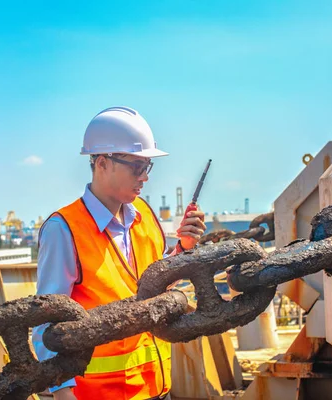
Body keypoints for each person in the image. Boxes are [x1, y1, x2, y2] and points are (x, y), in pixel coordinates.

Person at [32, 106, 206, 400]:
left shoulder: (145, 218)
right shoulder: (64, 230)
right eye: (136, 167)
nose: (145, 177)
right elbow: (46, 325)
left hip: (155, 388)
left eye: (147, 167)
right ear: (102, 163)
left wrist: (183, 249)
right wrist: (62, 393)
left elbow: (154, 288)